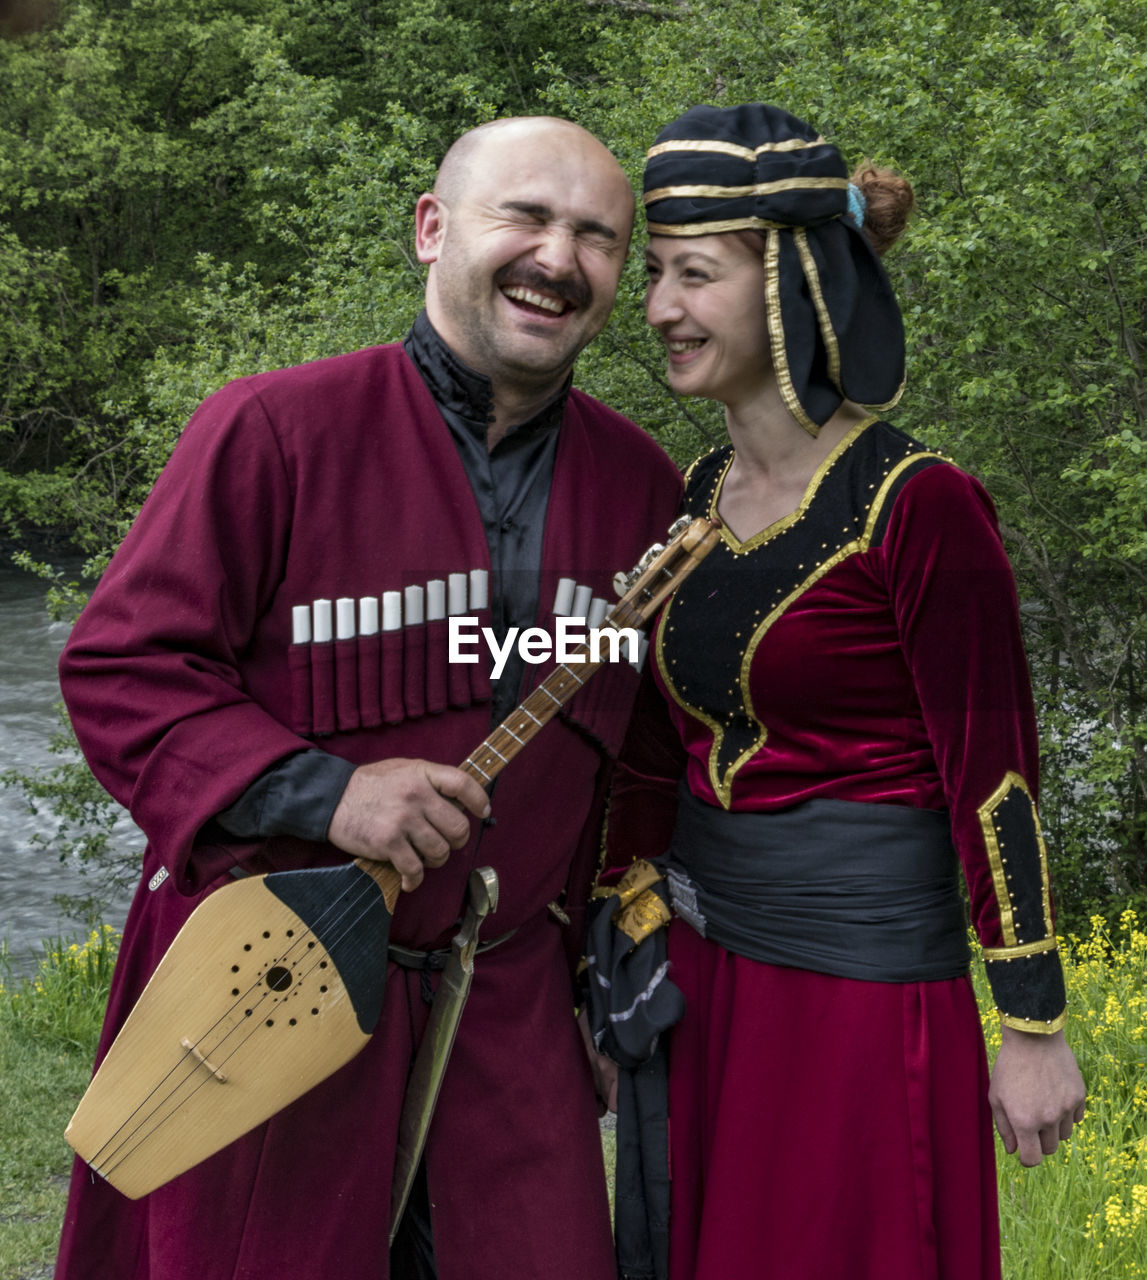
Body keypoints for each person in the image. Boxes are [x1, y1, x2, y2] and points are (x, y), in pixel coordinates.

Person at [54, 115, 682, 1280]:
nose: (560, 255)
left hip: (508, 1020)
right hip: (267, 1000)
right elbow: (121, 669)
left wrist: (607, 975)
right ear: (432, 230)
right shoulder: (273, 431)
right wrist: (327, 791)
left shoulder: (641, 485)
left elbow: (642, 761)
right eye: (526, 216)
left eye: (598, 235)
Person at [592, 103, 1086, 1280]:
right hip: (705, 981)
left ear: (789, 286)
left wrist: (1032, 1023)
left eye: (694, 275)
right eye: (655, 273)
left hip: (855, 996)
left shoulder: (917, 503)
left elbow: (994, 770)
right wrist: (614, 938)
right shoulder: (700, 489)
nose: (657, 307)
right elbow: (658, 750)